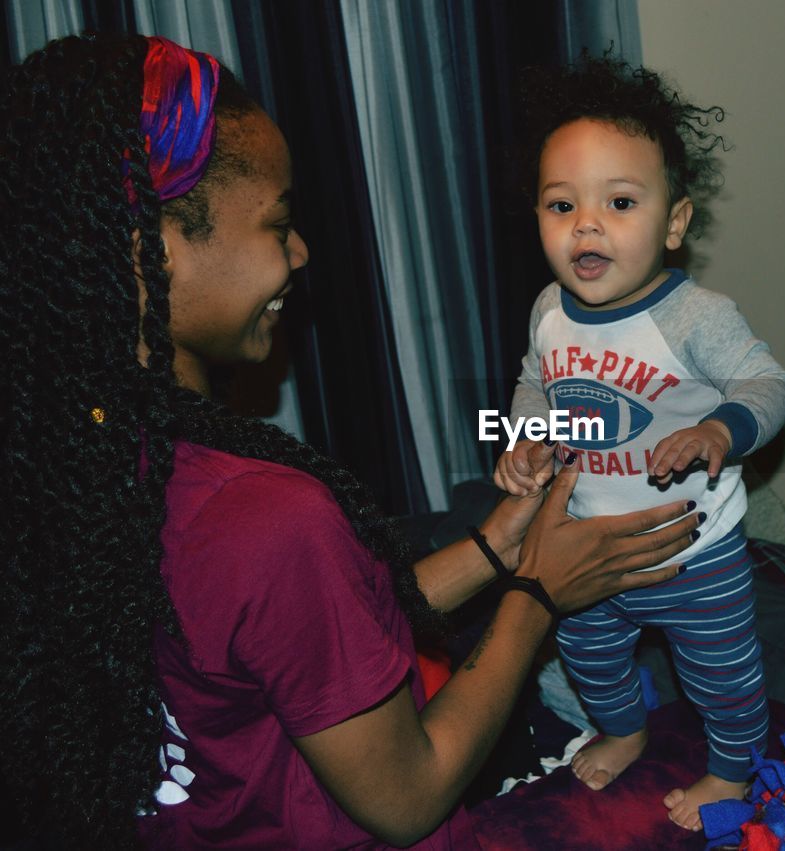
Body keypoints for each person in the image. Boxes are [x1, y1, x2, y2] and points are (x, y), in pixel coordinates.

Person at [0, 33, 702, 849]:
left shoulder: (77, 465)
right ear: (152, 251)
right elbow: (406, 797)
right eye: (278, 223)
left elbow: (292, 635)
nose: (299, 254)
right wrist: (535, 598)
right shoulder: (265, 515)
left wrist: (493, 547)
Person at [491, 54, 785, 830]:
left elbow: (771, 386)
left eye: (620, 201)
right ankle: (626, 728)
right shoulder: (548, 311)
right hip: (592, 540)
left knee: (723, 675)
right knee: (592, 658)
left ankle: (731, 771)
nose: (586, 224)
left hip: (694, 546)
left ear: (675, 221)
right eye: (561, 205)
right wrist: (529, 435)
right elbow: (538, 382)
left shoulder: (696, 316)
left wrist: (719, 429)